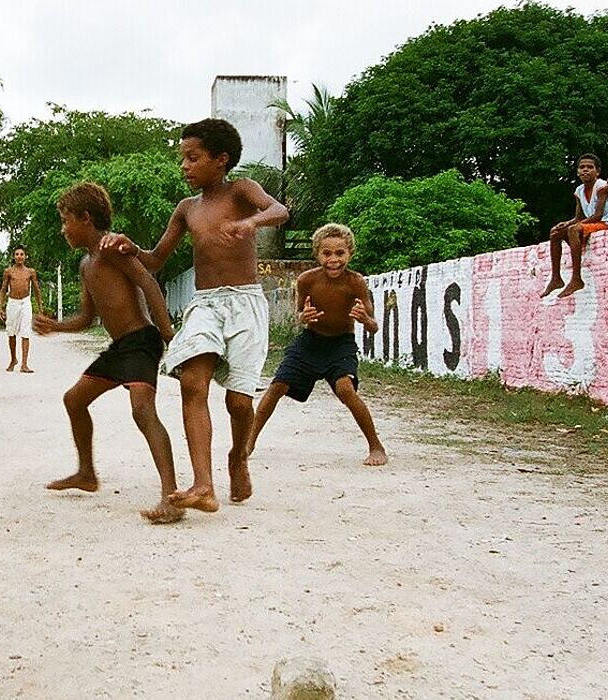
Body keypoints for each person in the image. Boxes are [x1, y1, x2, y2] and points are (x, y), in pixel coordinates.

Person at [101, 118, 290, 511]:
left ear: (221, 160)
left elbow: (279, 210)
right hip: (205, 305)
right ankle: (204, 485)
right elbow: (154, 260)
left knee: (239, 403)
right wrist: (128, 247)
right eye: (182, 159)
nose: (184, 166)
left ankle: (238, 457)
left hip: (245, 303)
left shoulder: (241, 189)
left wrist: (250, 221)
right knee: (192, 382)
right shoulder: (187, 209)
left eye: (192, 158)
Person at [34, 182, 183, 524]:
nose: (62, 228)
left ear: (85, 218)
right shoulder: (87, 264)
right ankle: (86, 473)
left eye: (66, 219)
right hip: (120, 348)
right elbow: (88, 318)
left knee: (143, 411)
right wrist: (55, 326)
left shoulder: (113, 248)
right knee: (74, 400)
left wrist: (167, 332)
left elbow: (148, 282)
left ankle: (171, 497)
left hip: (143, 341)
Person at [243, 224, 388, 467]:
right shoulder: (306, 280)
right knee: (277, 386)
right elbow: (299, 314)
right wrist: (303, 317)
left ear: (349, 253)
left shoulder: (356, 283)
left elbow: (373, 326)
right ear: (317, 254)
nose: (333, 260)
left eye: (340, 253)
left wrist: (365, 319)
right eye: (327, 253)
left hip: (341, 344)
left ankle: (376, 445)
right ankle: (248, 442)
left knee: (345, 389)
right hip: (310, 342)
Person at [543, 154, 608, 299]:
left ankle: (576, 278)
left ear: (597, 171)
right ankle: (556, 278)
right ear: (577, 171)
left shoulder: (601, 186)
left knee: (573, 230)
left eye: (589, 167)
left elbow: (598, 215)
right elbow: (579, 217)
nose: (585, 170)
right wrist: (567, 223)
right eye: (582, 167)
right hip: (593, 223)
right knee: (555, 232)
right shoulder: (579, 191)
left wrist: (573, 226)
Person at [0, 247, 43, 373]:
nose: (19, 256)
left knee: (26, 332)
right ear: (13, 256)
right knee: (11, 333)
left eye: (22, 254)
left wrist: (40, 308)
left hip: (25, 302)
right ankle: (13, 359)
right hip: (12, 303)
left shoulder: (30, 272)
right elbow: (3, 290)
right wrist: (0, 307)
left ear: (25, 256)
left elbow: (37, 290)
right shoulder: (8, 272)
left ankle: (24, 364)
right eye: (17, 254)